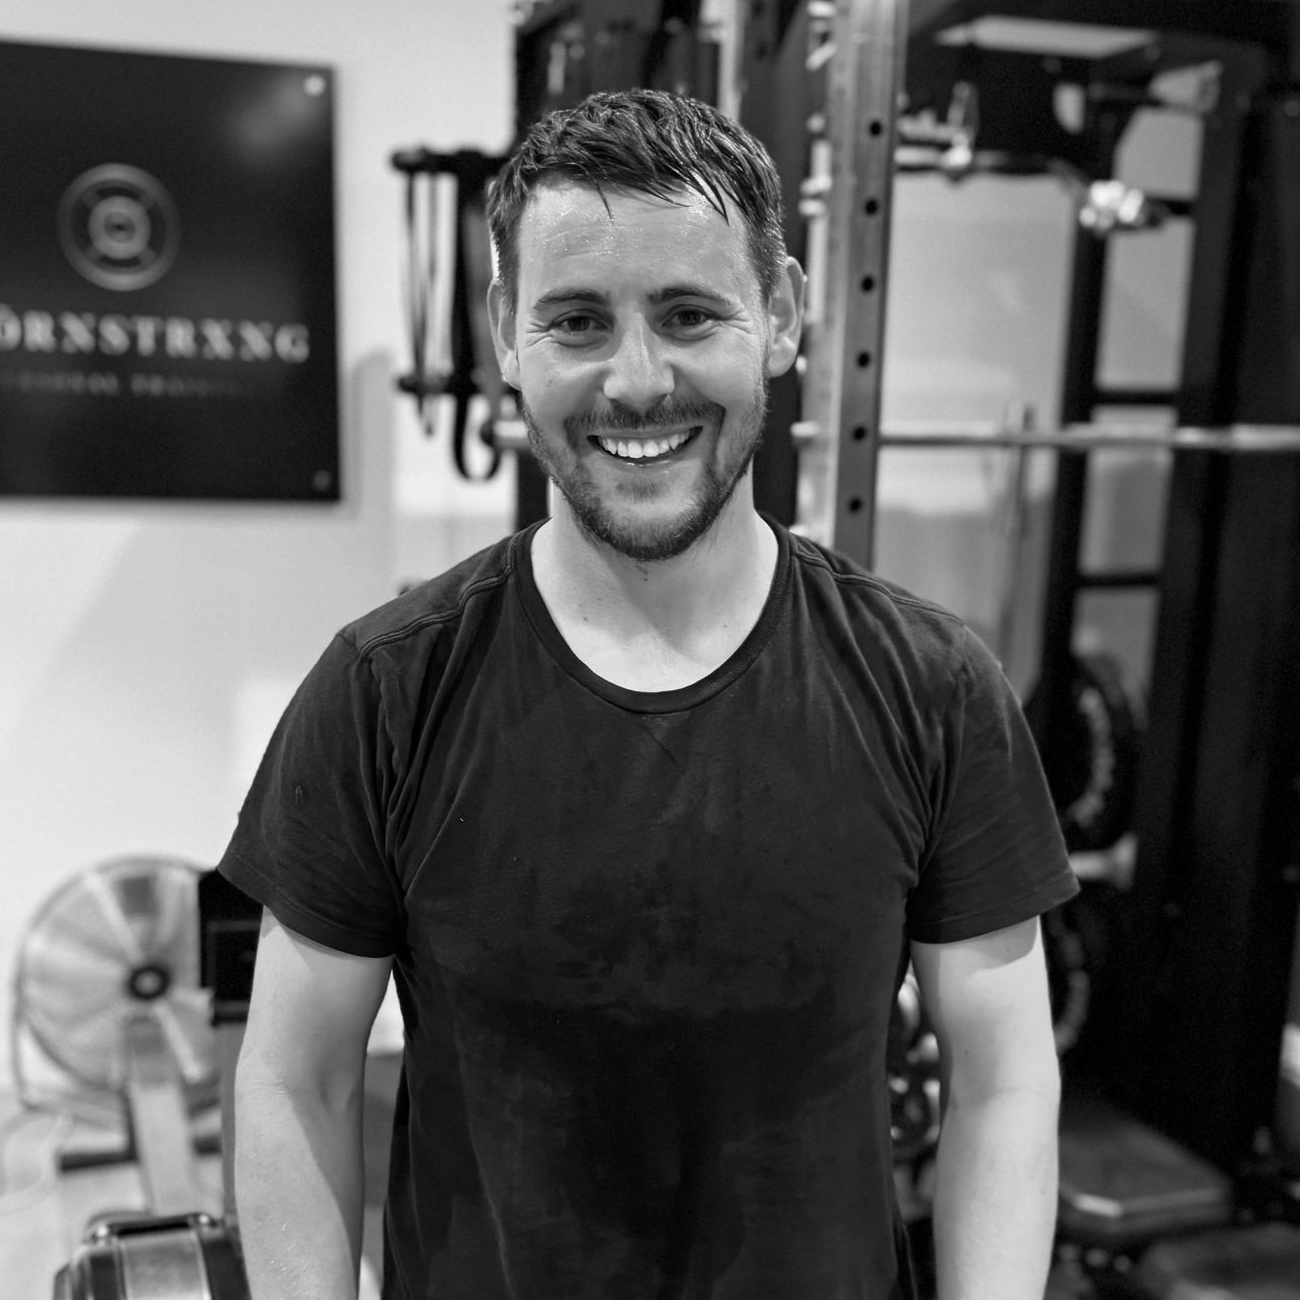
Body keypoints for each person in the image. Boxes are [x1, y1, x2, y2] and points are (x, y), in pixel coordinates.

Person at [221, 88, 1078, 1300]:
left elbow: (1002, 1074)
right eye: (576, 320)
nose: (635, 382)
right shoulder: (383, 692)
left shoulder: (931, 689)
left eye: (688, 314)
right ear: (504, 332)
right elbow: (293, 1079)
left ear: (779, 314)